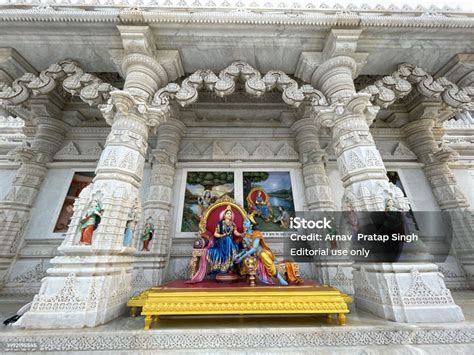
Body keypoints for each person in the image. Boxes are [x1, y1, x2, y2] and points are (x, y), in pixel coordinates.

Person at [207, 205, 240, 274]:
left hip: (230, 241)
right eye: (228, 213)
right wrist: (222, 235)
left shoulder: (233, 224)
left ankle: (228, 263)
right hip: (221, 241)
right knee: (227, 238)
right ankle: (227, 262)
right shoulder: (220, 223)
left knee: (229, 239)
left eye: (230, 214)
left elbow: (235, 232)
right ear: (224, 215)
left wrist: (241, 234)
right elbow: (215, 234)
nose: (229, 215)